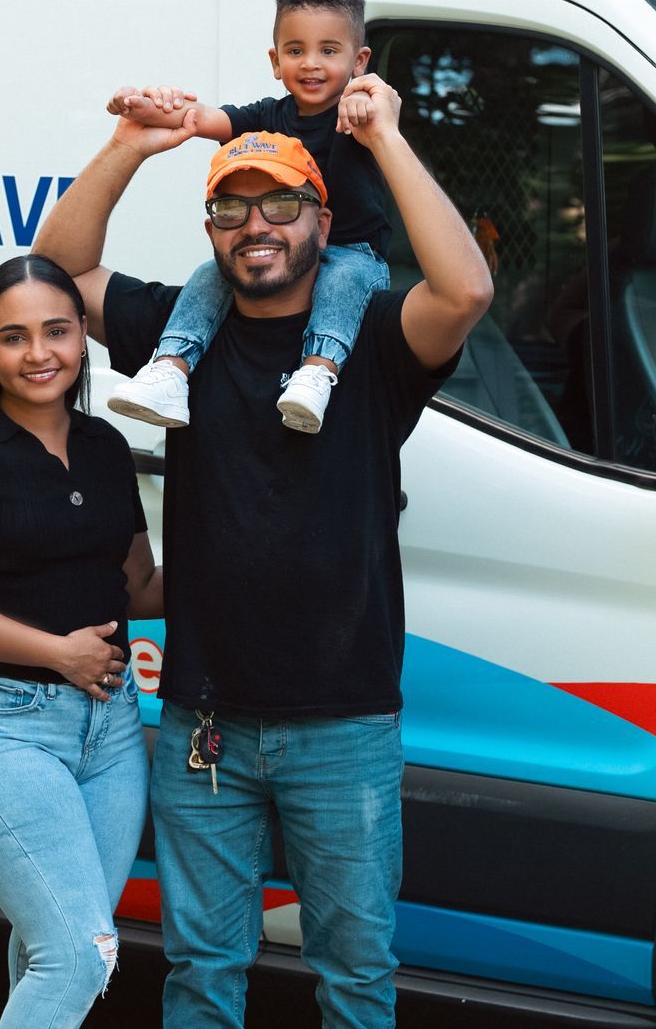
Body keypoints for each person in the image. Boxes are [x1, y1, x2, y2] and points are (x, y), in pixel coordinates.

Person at [32, 81, 492, 1027]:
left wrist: (390, 140)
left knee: (356, 976)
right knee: (203, 971)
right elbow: (55, 271)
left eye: (280, 203)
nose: (256, 225)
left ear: (322, 220)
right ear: (212, 231)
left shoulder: (372, 339)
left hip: (344, 727)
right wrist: (127, 146)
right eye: (232, 208)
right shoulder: (179, 338)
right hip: (206, 722)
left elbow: (467, 289)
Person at [0, 254, 163, 1028]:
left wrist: (252, 553)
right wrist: (57, 652)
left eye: (56, 330)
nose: (38, 353)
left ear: (85, 337)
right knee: (81, 953)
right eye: (14, 337)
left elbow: (139, 589)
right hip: (3, 727)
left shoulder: (108, 446)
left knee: (50, 948)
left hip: (111, 730)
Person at [104, 0, 393, 434]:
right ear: (276, 62)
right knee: (209, 274)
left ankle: (317, 372)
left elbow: (379, 123)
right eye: (296, 51)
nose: (312, 64)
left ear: (359, 61)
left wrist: (370, 109)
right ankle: (171, 370)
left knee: (343, 281)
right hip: (283, 250)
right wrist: (141, 104)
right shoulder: (269, 116)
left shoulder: (357, 110)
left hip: (353, 250)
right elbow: (198, 118)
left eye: (329, 51)